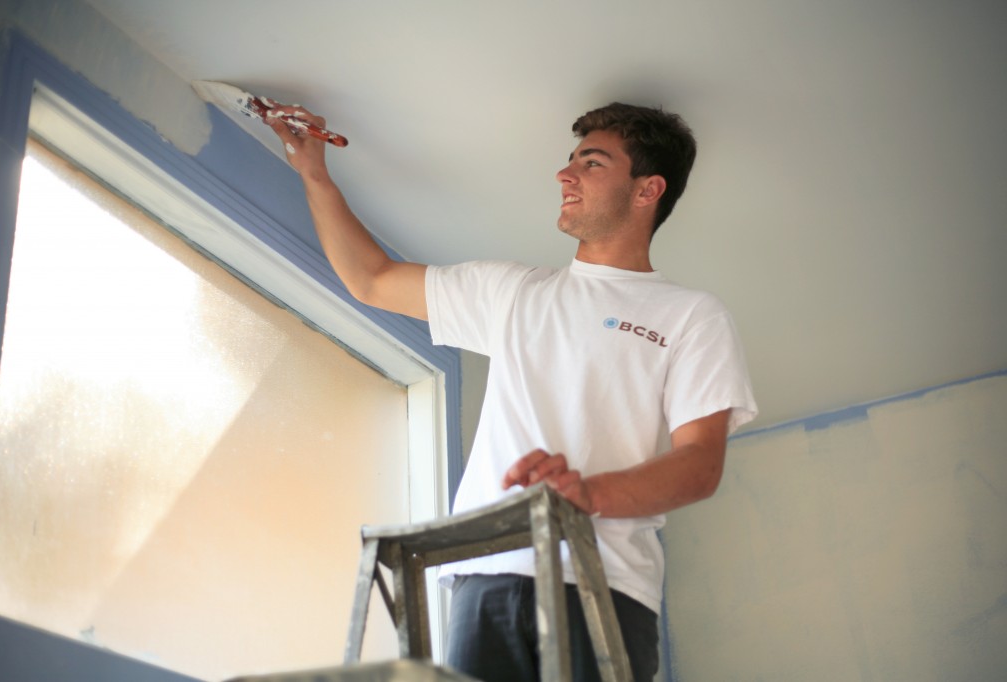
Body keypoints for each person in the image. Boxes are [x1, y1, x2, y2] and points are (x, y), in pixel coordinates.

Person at [267, 101, 757, 682]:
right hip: (484, 573)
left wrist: (584, 494)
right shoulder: (515, 293)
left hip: (606, 584)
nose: (564, 175)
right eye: (570, 160)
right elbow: (370, 278)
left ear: (647, 189)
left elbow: (700, 465)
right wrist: (313, 171)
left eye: (592, 163)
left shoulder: (690, 315)